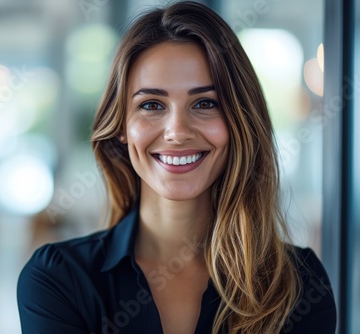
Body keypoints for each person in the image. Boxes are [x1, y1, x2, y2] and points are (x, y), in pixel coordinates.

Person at [17, 1, 337, 333]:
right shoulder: (59, 279)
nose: (178, 131)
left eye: (205, 103)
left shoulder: (298, 284)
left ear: (239, 123)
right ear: (122, 127)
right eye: (152, 105)